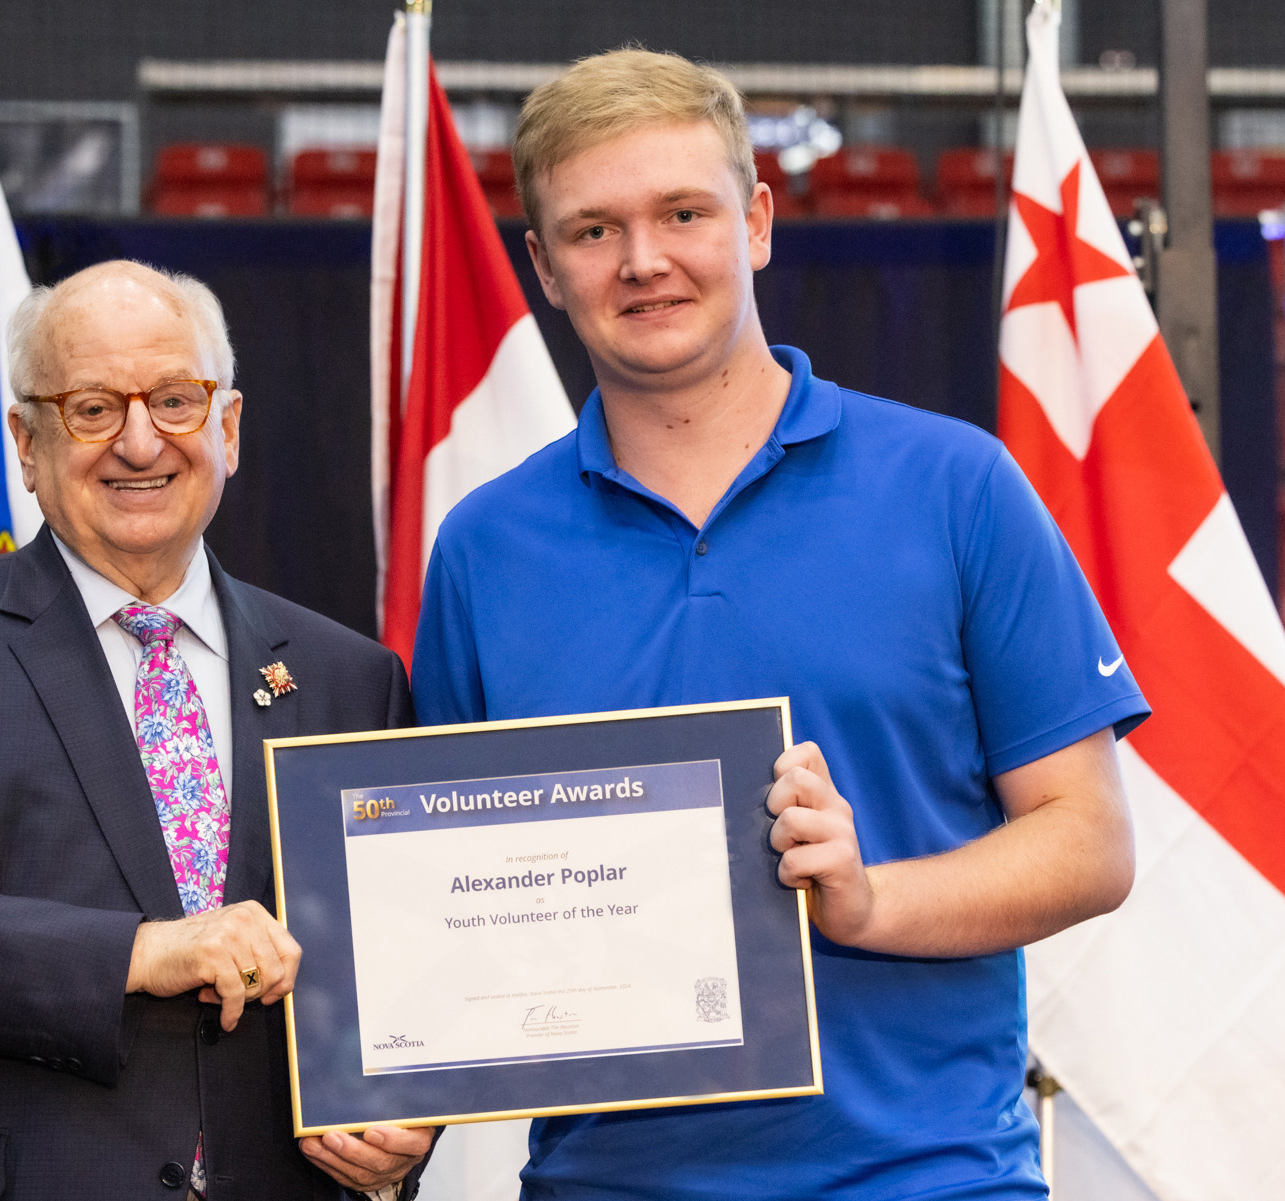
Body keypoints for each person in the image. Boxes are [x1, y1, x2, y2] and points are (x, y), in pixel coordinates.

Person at [409, 50, 1148, 1200]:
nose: (644, 260)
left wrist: (870, 899)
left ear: (755, 222)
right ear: (543, 268)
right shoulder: (483, 549)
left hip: (929, 1179)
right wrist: (394, 1096)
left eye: (682, 213)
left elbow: (1090, 844)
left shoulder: (957, 486)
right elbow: (455, 900)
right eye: (594, 231)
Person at [0, 261, 432, 1201]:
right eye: (91, 407)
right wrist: (139, 951)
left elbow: (394, 971)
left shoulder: (349, 677)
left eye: (174, 399)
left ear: (228, 428)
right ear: (27, 444)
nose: (138, 441)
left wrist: (404, 1130)